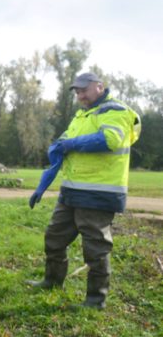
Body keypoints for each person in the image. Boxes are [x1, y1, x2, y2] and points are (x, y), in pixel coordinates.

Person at [27, 72, 141, 309]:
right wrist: (41, 187)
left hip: (99, 194)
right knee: (54, 238)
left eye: (83, 90)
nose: (79, 95)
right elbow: (60, 153)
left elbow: (109, 139)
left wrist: (71, 144)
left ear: (99, 87)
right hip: (71, 192)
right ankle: (52, 280)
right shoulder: (80, 117)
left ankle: (95, 300)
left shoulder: (114, 111)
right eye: (77, 92)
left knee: (96, 249)